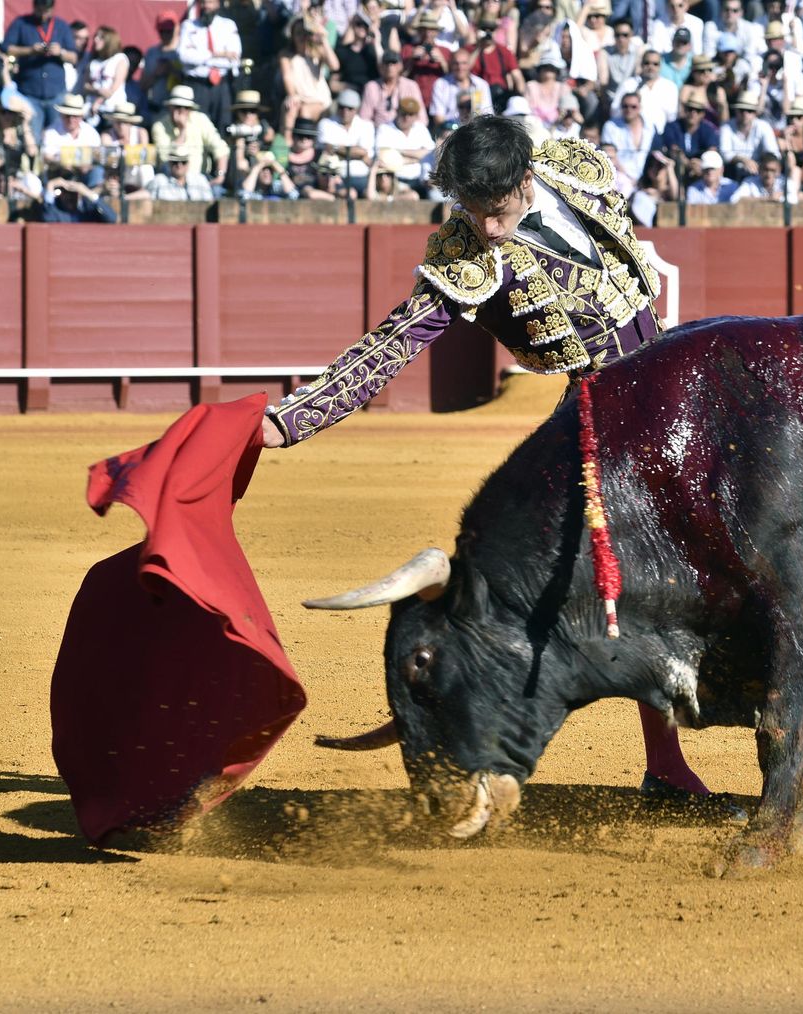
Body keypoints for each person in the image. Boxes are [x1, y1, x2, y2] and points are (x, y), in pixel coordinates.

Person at [257, 115, 718, 805]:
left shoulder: (573, 168)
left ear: (528, 179)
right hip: (598, 425)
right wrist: (287, 420)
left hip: (676, 392)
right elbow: (389, 346)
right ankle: (513, 735)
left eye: (496, 211)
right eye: (470, 213)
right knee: (605, 587)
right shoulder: (465, 257)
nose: (488, 230)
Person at [2, 0, 76, 137]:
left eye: (46, 11)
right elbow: (7, 48)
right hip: (30, 92)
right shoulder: (21, 23)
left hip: (56, 92)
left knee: (57, 135)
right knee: (32, 136)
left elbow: (74, 57)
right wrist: (30, 50)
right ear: (34, 7)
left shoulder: (61, 26)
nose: (43, 15)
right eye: (40, 10)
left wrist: (61, 52)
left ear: (52, 8)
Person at [176, 0, 241, 130]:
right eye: (203, 3)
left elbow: (234, 59)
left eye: (210, 2)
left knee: (223, 125)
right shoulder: (188, 26)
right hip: (197, 84)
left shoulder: (228, 26)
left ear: (218, 4)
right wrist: (217, 54)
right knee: (196, 126)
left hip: (221, 86)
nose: (206, 6)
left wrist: (200, 57)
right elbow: (183, 56)